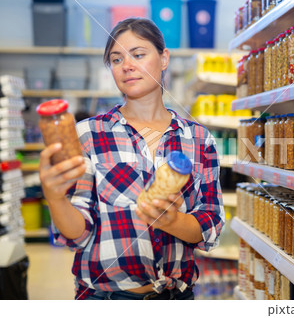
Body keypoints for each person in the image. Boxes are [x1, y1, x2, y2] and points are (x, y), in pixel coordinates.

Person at [39, 18, 225, 300]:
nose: (126, 65)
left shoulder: (199, 138)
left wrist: (171, 221)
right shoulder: (88, 134)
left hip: (177, 297)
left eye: (138, 54)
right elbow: (78, 234)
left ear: (164, 59)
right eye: (116, 59)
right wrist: (55, 198)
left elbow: (210, 224)